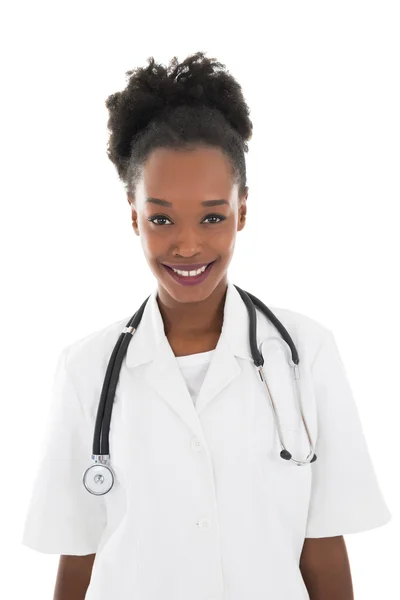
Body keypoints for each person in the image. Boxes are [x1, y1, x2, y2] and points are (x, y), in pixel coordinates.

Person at [21, 51, 391, 600]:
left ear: (243, 210)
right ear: (133, 214)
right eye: (161, 218)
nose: (187, 245)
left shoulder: (305, 354)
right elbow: (79, 559)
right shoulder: (85, 369)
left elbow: (322, 549)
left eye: (213, 217)